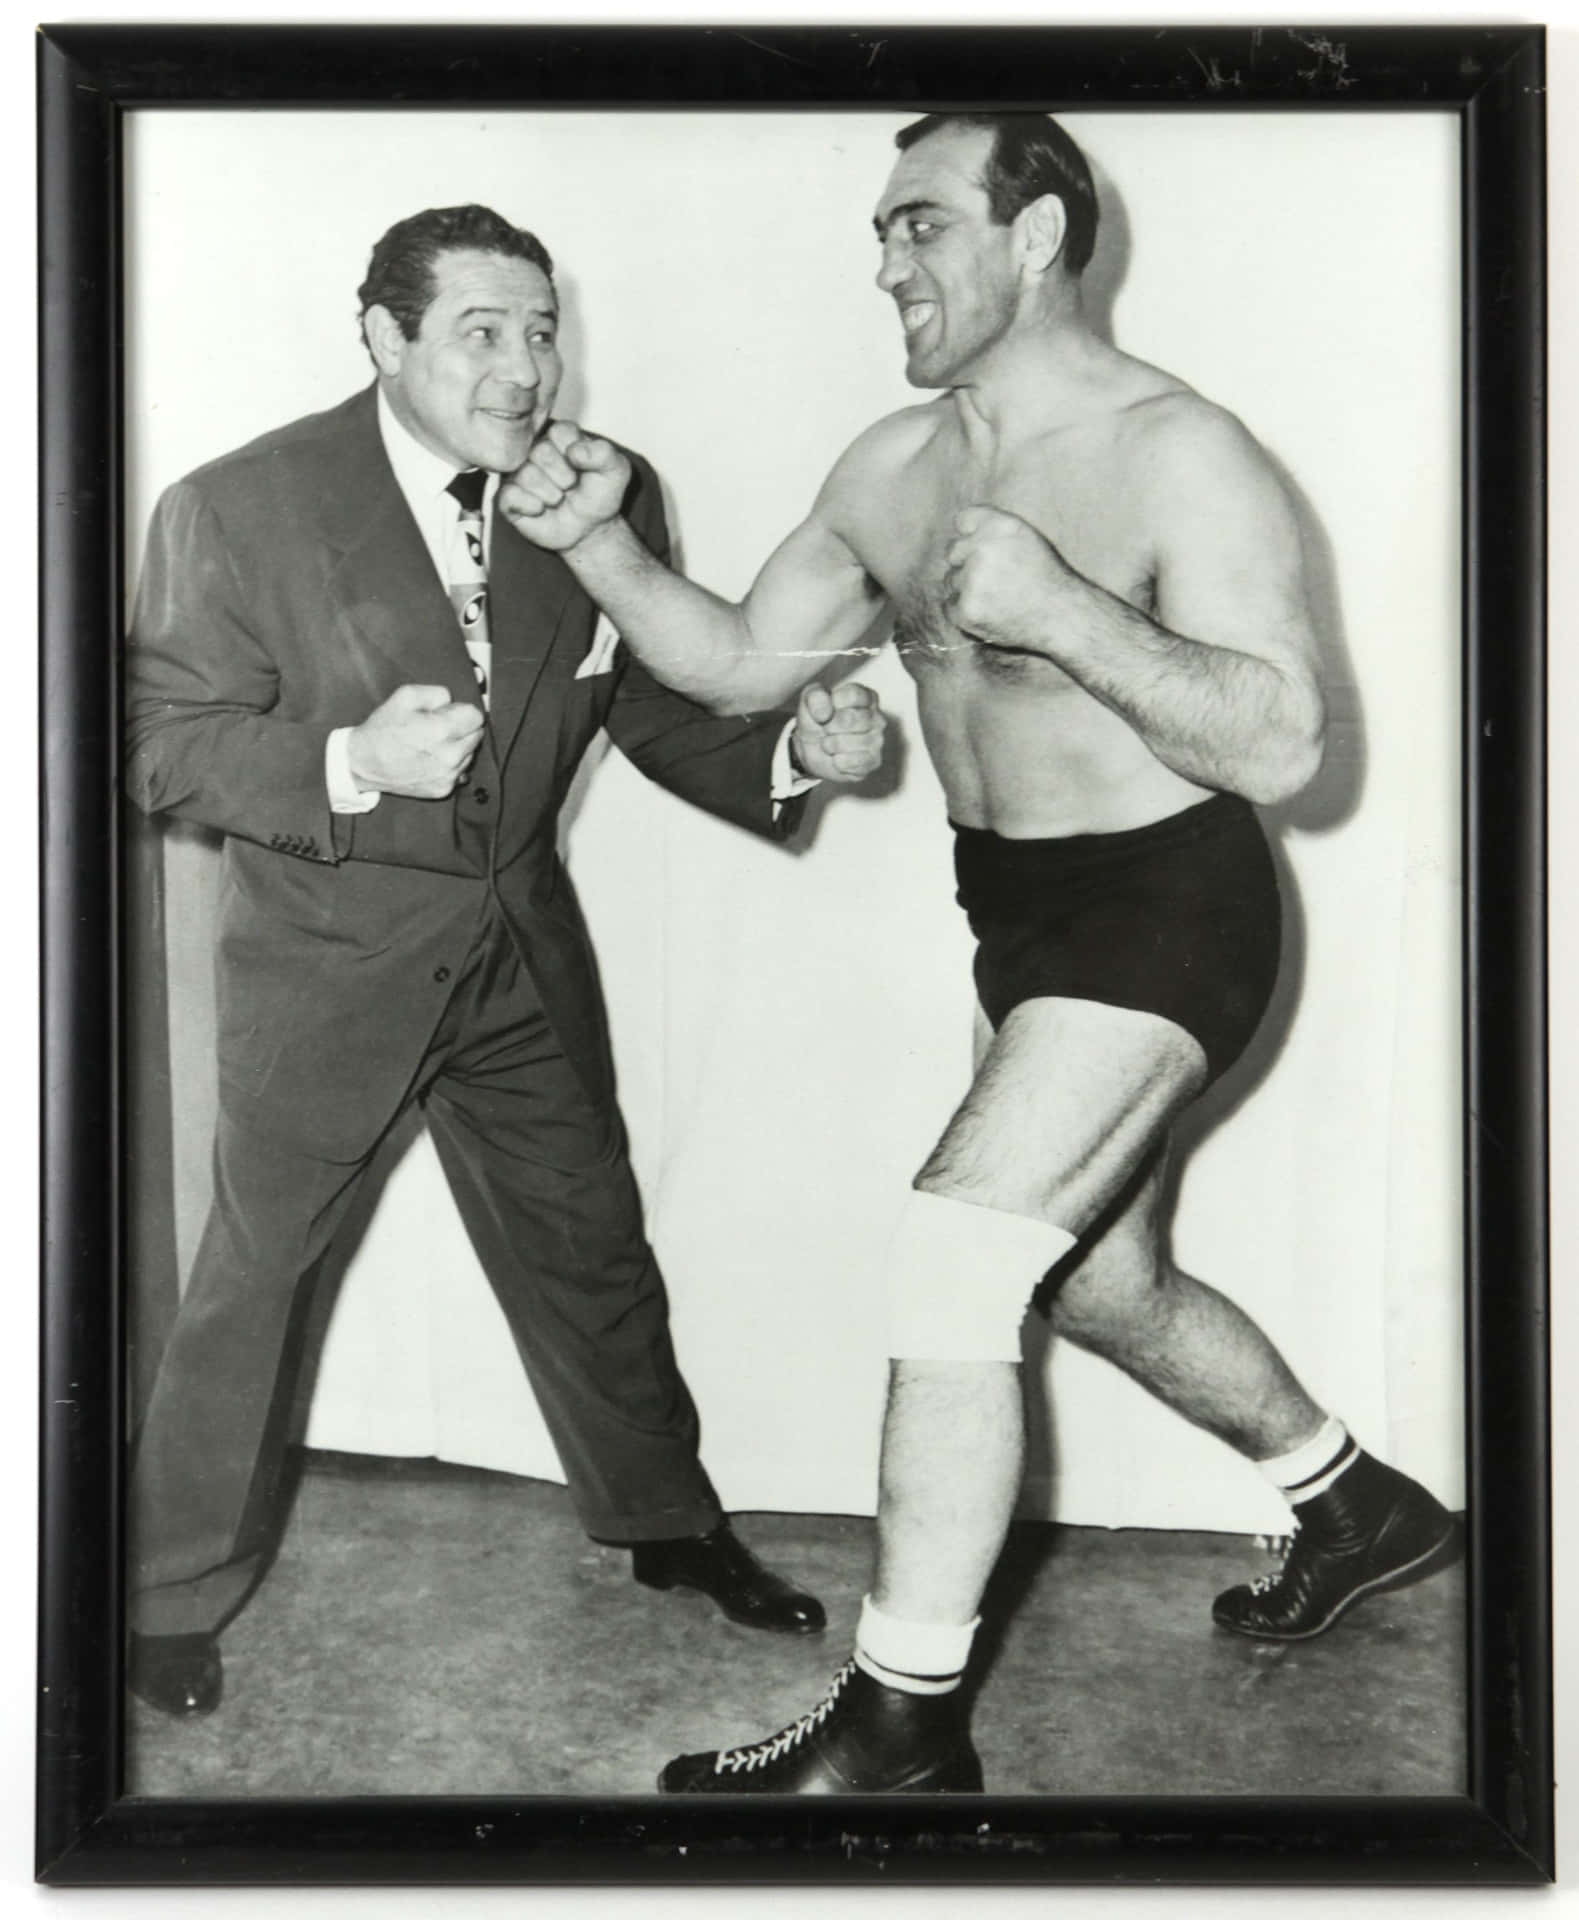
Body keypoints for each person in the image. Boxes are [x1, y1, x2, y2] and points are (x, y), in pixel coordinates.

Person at [500, 113, 1463, 1794]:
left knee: (953, 1257)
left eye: (923, 225)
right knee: (1098, 1280)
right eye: (881, 233)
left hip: (1177, 907)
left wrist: (1067, 612)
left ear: (1035, 239)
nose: (887, 264)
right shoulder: (890, 466)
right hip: (1015, 921)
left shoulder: (1183, 453)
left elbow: (1287, 744)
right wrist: (601, 546)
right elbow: (734, 665)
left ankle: (902, 1727)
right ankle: (1353, 1499)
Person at [122, 203, 887, 1720]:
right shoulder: (237, 505)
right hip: (329, 963)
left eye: (542, 329)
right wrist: (347, 758)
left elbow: (649, 700)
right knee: (252, 1284)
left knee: (592, 1246)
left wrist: (794, 743)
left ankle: (665, 1524)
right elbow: (153, 742)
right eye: (483, 331)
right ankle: (161, 1596)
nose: (528, 368)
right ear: (384, 338)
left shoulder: (594, 497)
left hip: (521, 947)